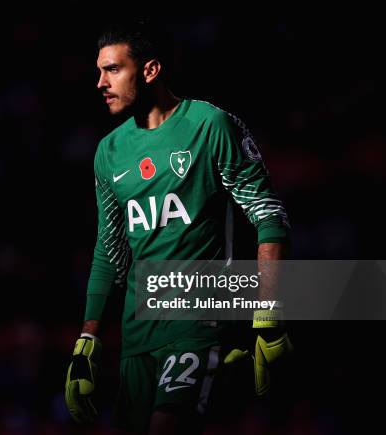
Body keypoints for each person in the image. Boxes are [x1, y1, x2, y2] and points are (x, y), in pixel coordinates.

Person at [64, 20, 293, 434]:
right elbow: (109, 249)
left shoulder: (209, 125)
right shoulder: (109, 152)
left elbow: (269, 214)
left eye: (112, 69)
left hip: (198, 322)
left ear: (150, 70)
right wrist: (89, 340)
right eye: (99, 71)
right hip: (138, 338)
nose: (100, 82)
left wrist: (269, 314)